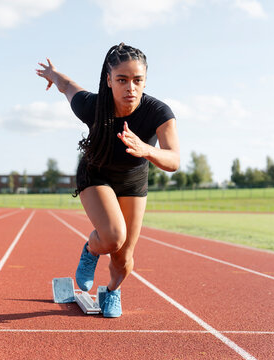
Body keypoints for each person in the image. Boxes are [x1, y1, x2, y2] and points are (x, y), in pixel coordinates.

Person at [36, 43, 180, 318]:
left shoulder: (158, 113)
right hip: (96, 174)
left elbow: (173, 160)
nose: (130, 88)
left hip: (132, 181)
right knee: (113, 237)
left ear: (145, 81)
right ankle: (91, 250)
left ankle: (112, 291)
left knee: (123, 257)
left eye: (137, 80)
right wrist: (53, 75)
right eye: (122, 80)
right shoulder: (92, 106)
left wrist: (146, 149)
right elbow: (68, 86)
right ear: (109, 80)